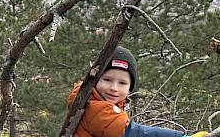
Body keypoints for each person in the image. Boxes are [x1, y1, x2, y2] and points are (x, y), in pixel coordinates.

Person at [67, 46, 208, 137]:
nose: (114, 88)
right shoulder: (93, 106)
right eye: (107, 80)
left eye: (122, 83)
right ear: (94, 79)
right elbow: (134, 133)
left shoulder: (94, 101)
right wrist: (179, 136)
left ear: (129, 88)